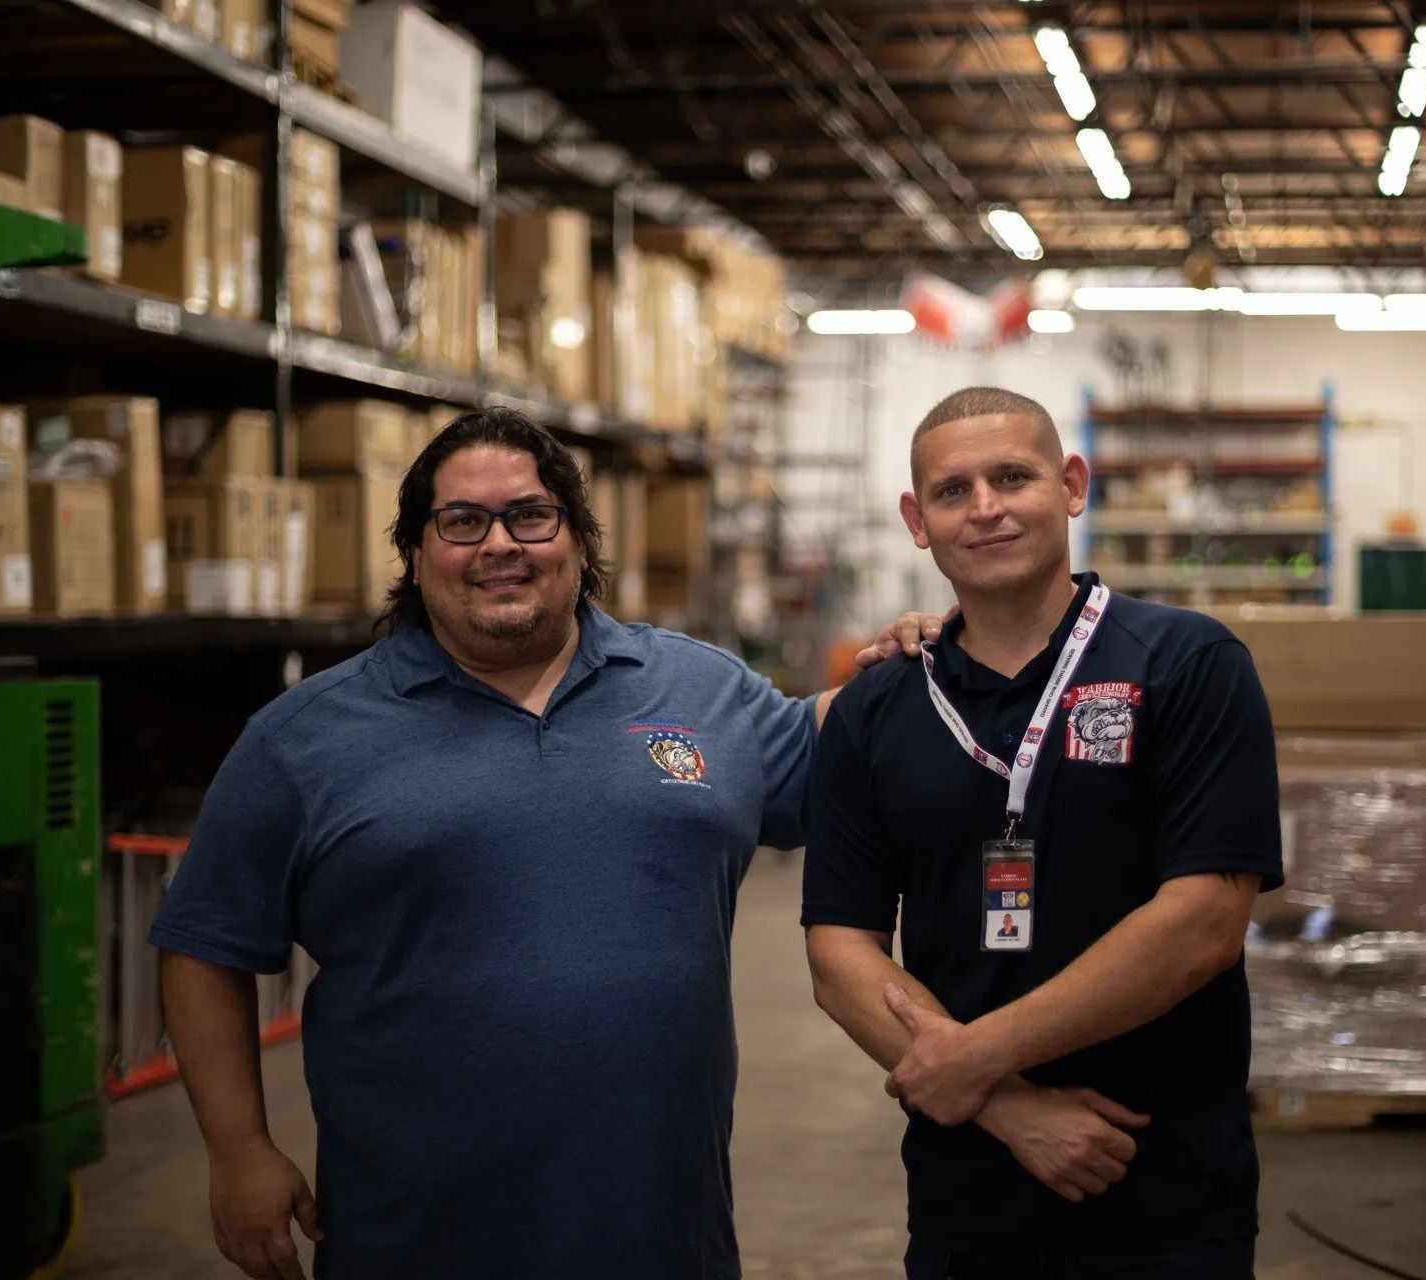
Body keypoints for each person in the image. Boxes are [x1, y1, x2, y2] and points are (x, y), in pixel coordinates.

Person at [150, 406, 939, 1280]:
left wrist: (926, 654)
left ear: (578, 540)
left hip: (661, 1232)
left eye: (530, 515)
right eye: (461, 522)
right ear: (415, 553)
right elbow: (202, 947)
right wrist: (237, 1150)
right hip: (412, 1236)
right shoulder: (302, 739)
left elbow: (844, 747)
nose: (499, 545)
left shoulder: (701, 689)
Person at [803, 386, 1283, 1279]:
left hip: (1163, 1190)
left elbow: (1204, 926)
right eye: (952, 491)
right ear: (917, 520)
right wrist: (1006, 1106)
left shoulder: (1188, 665)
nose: (984, 508)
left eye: (1012, 477)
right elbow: (840, 954)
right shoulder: (877, 704)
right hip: (963, 1201)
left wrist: (974, 1056)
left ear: (1071, 484)